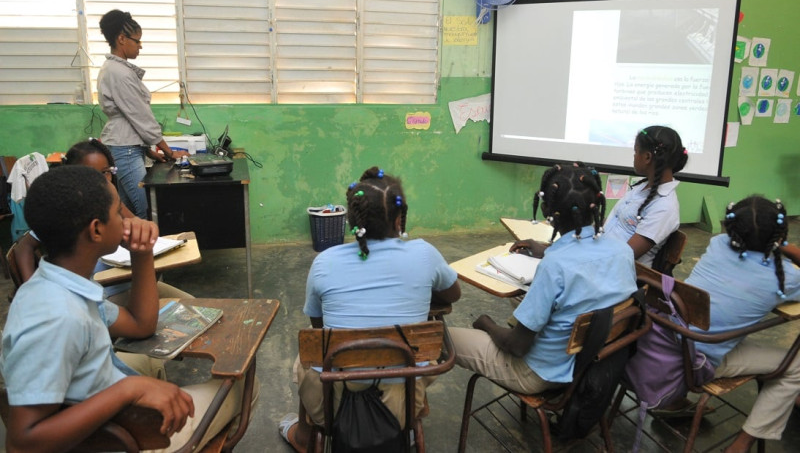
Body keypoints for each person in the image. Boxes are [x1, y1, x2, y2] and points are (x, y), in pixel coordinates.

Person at [0, 166, 247, 453]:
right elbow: (23, 443)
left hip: (108, 404)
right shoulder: (57, 317)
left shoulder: (62, 283)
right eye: (119, 212)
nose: (127, 219)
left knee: (149, 364)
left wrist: (141, 254)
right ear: (96, 229)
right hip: (116, 438)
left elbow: (141, 325)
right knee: (243, 386)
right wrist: (129, 390)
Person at [279, 166, 462, 451]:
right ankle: (403, 433)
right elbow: (453, 295)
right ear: (400, 219)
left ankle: (305, 436)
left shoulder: (324, 263)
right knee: (414, 354)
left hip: (332, 405)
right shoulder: (424, 254)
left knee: (306, 355)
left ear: (353, 220)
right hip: (403, 401)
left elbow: (320, 328)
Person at [449, 163, 637, 395]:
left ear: (547, 209)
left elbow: (516, 346)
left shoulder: (554, 266)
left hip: (538, 373)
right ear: (596, 204)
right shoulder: (623, 251)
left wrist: (486, 324)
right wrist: (550, 249)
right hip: (591, 364)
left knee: (441, 338)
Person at [684, 196, 800, 453]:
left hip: (668, 341)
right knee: (797, 365)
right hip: (699, 360)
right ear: (780, 234)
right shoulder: (786, 277)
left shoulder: (716, 245)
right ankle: (741, 444)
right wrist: (788, 248)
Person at [13, 138, 192, 303]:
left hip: (126, 282)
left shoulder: (111, 203)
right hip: (103, 292)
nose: (100, 180)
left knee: (192, 303)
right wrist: (30, 290)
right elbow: (23, 247)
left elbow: (138, 224)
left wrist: (143, 229)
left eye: (106, 172)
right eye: (89, 173)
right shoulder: (65, 213)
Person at [511, 126, 687, 268]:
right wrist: (554, 248)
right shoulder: (642, 188)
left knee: (542, 275)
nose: (634, 156)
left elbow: (622, 257)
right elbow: (606, 230)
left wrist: (553, 254)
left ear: (647, 157)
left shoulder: (665, 207)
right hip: (597, 258)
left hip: (612, 274)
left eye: (636, 151)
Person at [96, 9, 187, 219]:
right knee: (144, 211)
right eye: (137, 41)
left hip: (127, 147)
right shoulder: (118, 73)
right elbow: (140, 117)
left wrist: (148, 151)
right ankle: (145, 251)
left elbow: (132, 118)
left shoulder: (116, 69)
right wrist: (169, 151)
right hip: (125, 149)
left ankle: (130, 252)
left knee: (128, 211)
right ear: (121, 39)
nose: (140, 46)